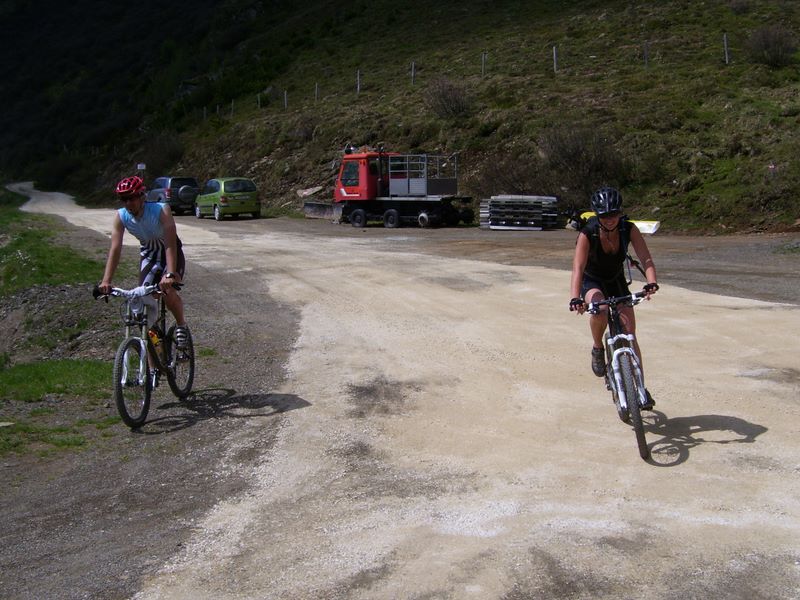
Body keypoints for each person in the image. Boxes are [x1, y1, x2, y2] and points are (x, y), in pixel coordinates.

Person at [568, 186, 658, 407]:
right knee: (600, 309)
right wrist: (575, 297)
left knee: (630, 334)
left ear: (620, 212)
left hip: (616, 280)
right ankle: (598, 347)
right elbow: (578, 267)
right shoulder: (588, 233)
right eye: (604, 216)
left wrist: (651, 282)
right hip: (592, 281)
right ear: (597, 215)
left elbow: (645, 257)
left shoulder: (628, 228)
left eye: (614, 214)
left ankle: (640, 388)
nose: (610, 220)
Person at [99, 175, 189, 348]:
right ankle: (154, 356)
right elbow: (115, 248)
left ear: (142, 196)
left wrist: (170, 274)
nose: (128, 203)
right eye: (123, 199)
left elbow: (170, 244)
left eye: (131, 198)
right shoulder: (121, 216)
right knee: (141, 305)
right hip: (149, 256)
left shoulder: (161, 210)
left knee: (168, 292)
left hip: (171, 253)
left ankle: (181, 326)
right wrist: (106, 281)